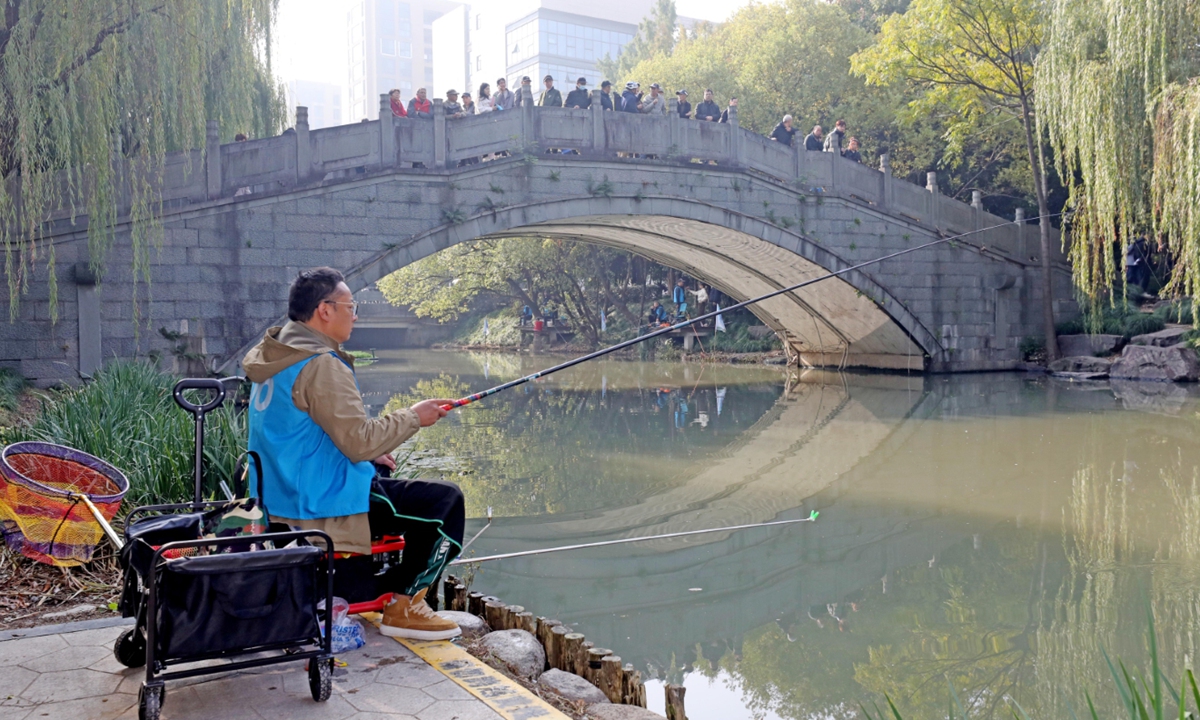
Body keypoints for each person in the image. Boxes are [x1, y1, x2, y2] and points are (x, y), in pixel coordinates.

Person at [244, 268, 463, 640]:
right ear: (325, 310)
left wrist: (373, 454)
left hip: (279, 494)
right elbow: (358, 441)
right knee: (445, 503)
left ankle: (384, 588)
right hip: (320, 501)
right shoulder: (320, 363)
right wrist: (414, 417)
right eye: (351, 305)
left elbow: (305, 431)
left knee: (388, 479)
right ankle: (406, 605)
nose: (356, 314)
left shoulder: (275, 354)